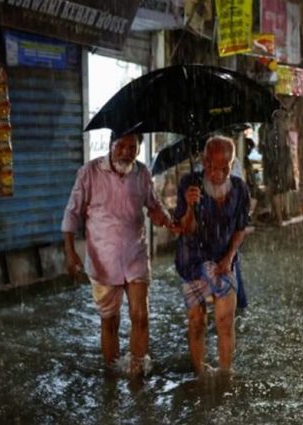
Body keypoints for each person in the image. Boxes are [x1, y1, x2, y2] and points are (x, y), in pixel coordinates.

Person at [61, 132, 177, 375]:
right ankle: (112, 375)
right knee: (110, 321)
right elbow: (72, 213)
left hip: (135, 254)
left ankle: (137, 372)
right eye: (121, 146)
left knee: (140, 315)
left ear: (138, 148)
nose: (126, 151)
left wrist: (162, 216)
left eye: (132, 147)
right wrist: (70, 252)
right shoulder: (89, 172)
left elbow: (153, 205)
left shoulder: (142, 173)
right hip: (103, 259)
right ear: (111, 145)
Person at [174, 136, 250, 375]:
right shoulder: (189, 183)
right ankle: (199, 373)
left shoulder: (239, 189)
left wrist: (229, 258)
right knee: (197, 322)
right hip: (193, 261)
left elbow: (240, 228)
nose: (216, 173)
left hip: (223, 261)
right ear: (203, 162)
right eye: (211, 166)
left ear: (232, 164)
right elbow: (185, 229)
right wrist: (189, 207)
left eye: (223, 168)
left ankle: (225, 374)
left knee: (225, 321)